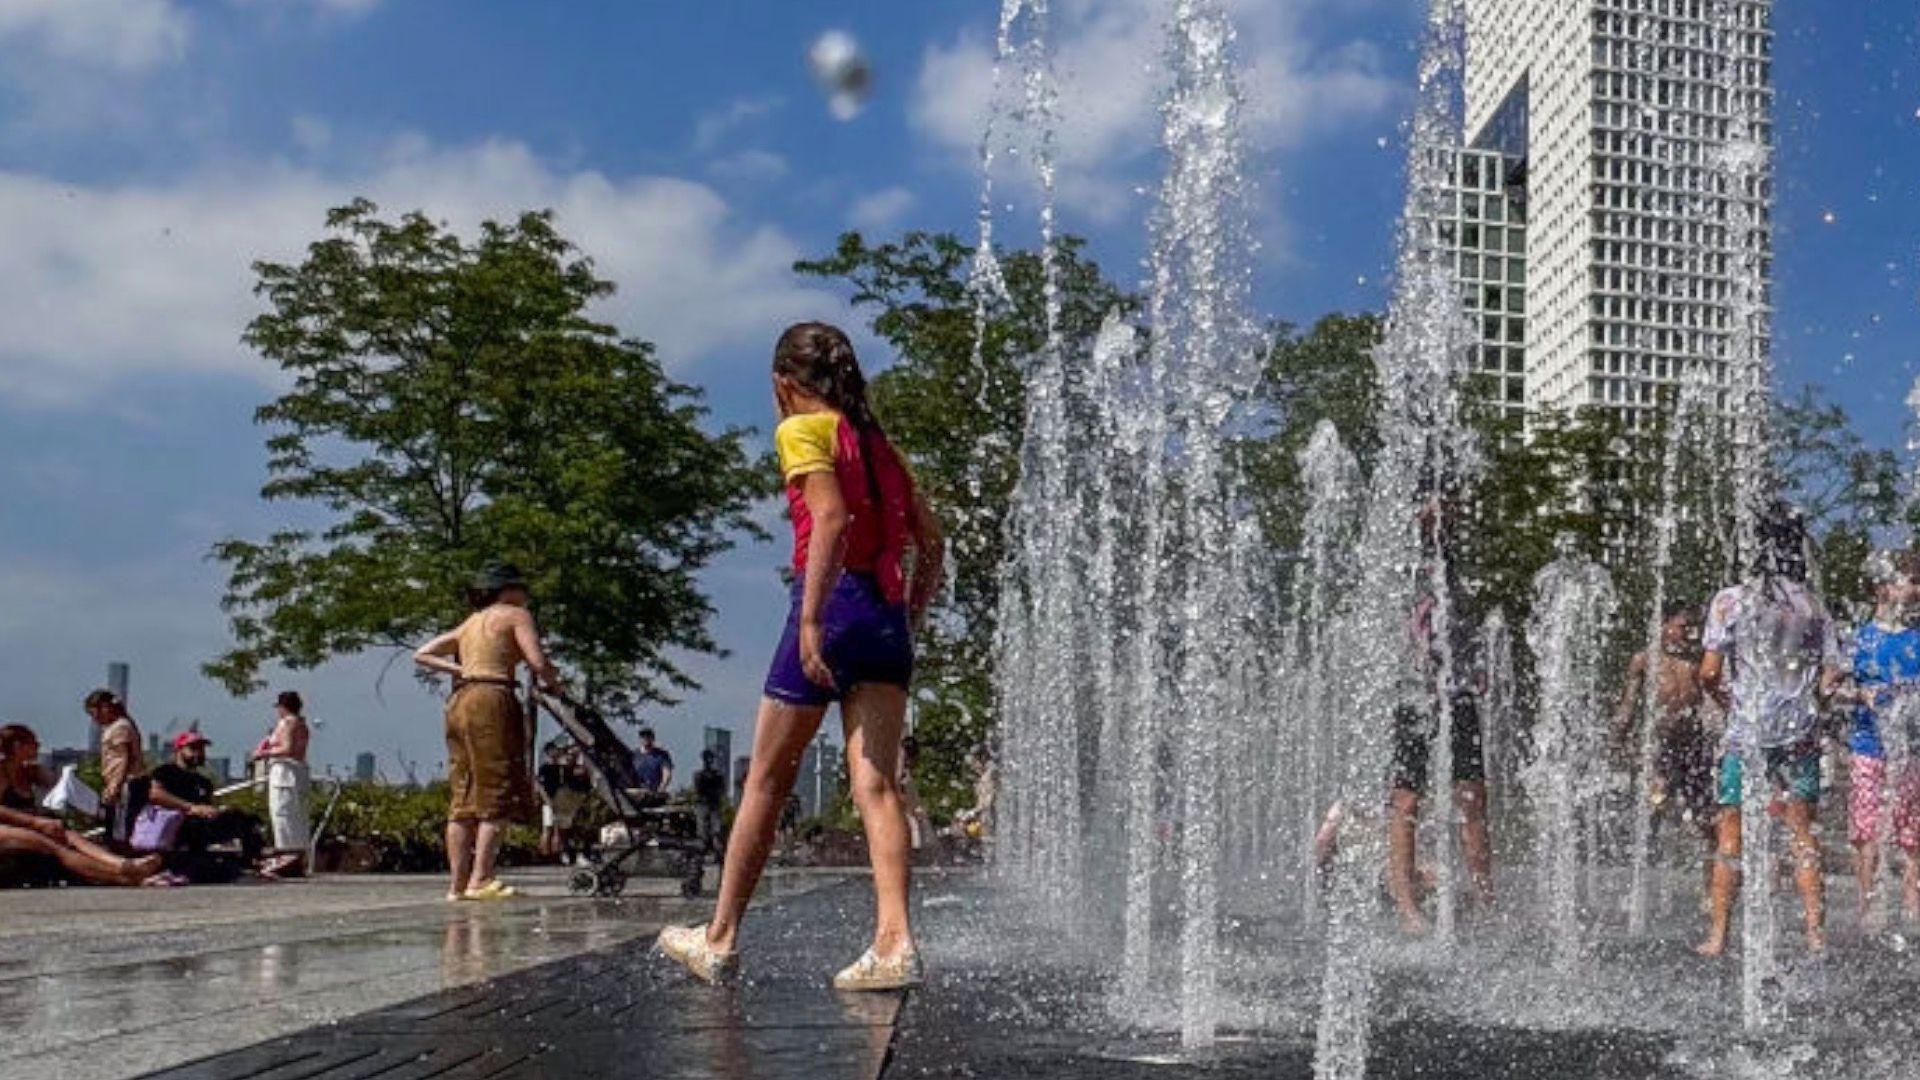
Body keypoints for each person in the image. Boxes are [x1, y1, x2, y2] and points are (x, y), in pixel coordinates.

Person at [659, 322, 943, 990]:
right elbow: (931, 540)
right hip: (883, 616)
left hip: (835, 605)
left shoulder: (803, 430)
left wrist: (812, 617)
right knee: (876, 784)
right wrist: (910, 615)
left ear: (782, 381)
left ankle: (720, 937)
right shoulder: (878, 443)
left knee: (765, 780)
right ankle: (894, 942)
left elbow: (833, 519)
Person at [1696, 502, 1845, 957]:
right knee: (1803, 835)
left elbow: (1707, 673)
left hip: (1748, 732)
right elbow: (1832, 673)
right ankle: (1816, 937)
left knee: (1731, 836)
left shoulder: (1731, 601)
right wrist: (1813, 703)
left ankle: (1719, 936)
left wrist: (1730, 703)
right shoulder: (1812, 605)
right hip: (1798, 731)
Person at [415, 563, 559, 902]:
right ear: (508, 590)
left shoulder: (470, 622)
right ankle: (481, 878)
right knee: (497, 786)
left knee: (463, 793)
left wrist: (461, 668)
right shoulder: (515, 615)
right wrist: (555, 682)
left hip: (460, 699)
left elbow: (422, 653)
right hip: (493, 697)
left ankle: (457, 886)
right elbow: (537, 663)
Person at [1385, 493, 1493, 935]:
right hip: (1414, 697)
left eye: (1449, 508)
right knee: (1407, 799)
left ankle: (1488, 903)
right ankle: (1407, 907)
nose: (1444, 515)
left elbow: (1467, 625)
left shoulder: (1459, 561)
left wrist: (1481, 665)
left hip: (1459, 692)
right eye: (1434, 508)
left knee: (1472, 797)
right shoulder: (1400, 560)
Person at [1611, 608, 1717, 900]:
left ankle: (1711, 890)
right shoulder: (1644, 660)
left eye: (1691, 626)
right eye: (1682, 626)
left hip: (1695, 746)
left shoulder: (1695, 661)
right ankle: (1638, 880)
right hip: (1661, 746)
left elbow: (1713, 698)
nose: (1688, 632)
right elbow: (1628, 703)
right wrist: (1617, 738)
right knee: (1655, 802)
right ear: (1663, 625)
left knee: (1707, 819)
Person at [1840, 550, 1920, 926]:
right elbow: (1827, 688)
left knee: (1913, 834)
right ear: (1884, 589)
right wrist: (1859, 694)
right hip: (1867, 748)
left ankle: (1913, 909)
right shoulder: (1860, 640)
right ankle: (1867, 909)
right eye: (1912, 582)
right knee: (1866, 832)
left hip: (1912, 752)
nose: (1918, 590)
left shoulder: (1918, 639)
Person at [0, 723, 162, 886]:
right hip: (8, 826)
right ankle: (124, 876)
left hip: (23, 825)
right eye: (33, 743)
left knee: (68, 835)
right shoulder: (2, 772)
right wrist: (34, 822)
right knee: (51, 846)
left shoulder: (28, 772)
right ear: (17, 746)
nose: (38, 746)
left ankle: (121, 864)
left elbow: (58, 786)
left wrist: (40, 773)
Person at [84, 690, 213, 846]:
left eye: (95, 713)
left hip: (126, 782)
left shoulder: (120, 727)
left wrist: (115, 786)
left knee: (121, 829)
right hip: (124, 782)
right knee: (119, 825)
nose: (95, 719)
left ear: (105, 708)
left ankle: (122, 858)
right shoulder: (123, 725)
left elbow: (123, 758)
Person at [152, 731, 269, 875]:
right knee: (194, 825)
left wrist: (218, 811)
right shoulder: (166, 772)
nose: (198, 753)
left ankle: (252, 861)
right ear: (179, 750)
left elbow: (206, 806)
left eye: (201, 749)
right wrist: (190, 807)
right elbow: (155, 794)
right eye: (193, 748)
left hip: (202, 823)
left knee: (245, 819)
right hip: (176, 823)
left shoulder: (203, 782)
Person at [250, 691, 312, 876]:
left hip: (285, 770)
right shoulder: (302, 724)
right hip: (297, 771)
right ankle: (295, 851)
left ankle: (288, 850)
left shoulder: (288, 722)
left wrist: (264, 753)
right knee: (295, 811)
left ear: (283, 707)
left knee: (283, 810)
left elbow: (287, 748)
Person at [538, 741, 590, 864]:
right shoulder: (545, 768)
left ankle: (557, 855)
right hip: (549, 800)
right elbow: (541, 786)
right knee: (548, 829)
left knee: (559, 829)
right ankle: (544, 856)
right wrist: (547, 800)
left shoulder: (562, 768)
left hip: (561, 801)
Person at [693, 750, 728, 863]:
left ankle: (718, 854)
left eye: (710, 758)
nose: (708, 761)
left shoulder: (717, 775)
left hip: (713, 805)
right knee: (703, 831)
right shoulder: (699, 775)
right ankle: (701, 855)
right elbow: (699, 790)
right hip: (703, 804)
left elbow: (721, 790)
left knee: (716, 831)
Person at [898, 736, 933, 852]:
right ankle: (917, 846)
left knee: (914, 816)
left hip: (905, 787)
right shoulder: (902, 758)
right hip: (905, 788)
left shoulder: (901, 757)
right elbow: (899, 776)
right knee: (913, 816)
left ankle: (917, 845)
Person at [633, 728, 674, 797]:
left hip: (654, 791)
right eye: (643, 736)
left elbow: (666, 772)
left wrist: (662, 786)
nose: (646, 738)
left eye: (648, 736)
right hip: (637, 791)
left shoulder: (662, 755)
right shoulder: (635, 755)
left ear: (652, 738)